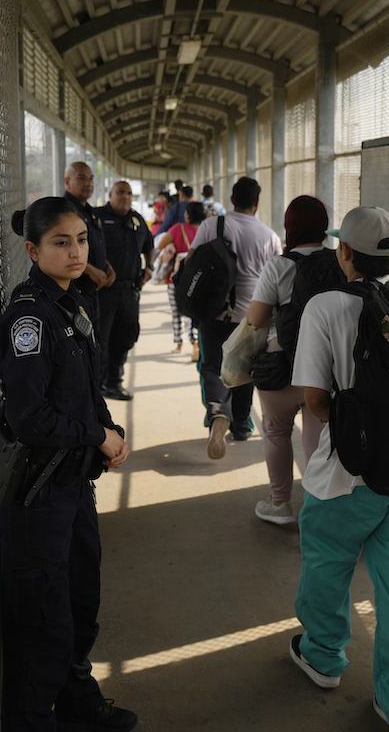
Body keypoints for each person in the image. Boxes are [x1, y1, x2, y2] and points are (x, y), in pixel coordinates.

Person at [0, 196, 138, 732]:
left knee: (81, 604)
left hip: (74, 486)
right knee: (42, 624)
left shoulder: (70, 303)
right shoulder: (30, 317)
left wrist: (108, 428)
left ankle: (78, 702)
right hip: (38, 494)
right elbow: (30, 417)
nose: (76, 251)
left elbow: (86, 386)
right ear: (33, 250)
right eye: (61, 242)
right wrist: (96, 434)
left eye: (80, 239)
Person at [288, 206, 389, 732]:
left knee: (327, 565)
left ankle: (324, 657)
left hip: (347, 473)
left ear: (344, 252)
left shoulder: (326, 306)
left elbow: (314, 400)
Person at [245, 195, 332, 524]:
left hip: (283, 365)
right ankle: (316, 509)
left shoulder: (281, 265)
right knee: (317, 440)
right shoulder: (340, 261)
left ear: (289, 225)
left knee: (277, 432)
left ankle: (280, 504)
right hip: (325, 368)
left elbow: (255, 319)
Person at [188, 176, 281, 459]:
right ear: (256, 202)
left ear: (231, 200)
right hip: (252, 315)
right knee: (244, 368)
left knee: (212, 366)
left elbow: (192, 263)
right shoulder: (269, 236)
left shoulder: (211, 225)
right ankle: (241, 425)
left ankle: (218, 415)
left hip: (215, 311)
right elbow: (275, 278)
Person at [94, 181, 154, 401]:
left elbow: (150, 245)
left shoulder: (138, 220)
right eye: (121, 192)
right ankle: (97, 388)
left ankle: (114, 384)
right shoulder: (96, 217)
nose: (126, 196)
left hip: (130, 292)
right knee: (101, 340)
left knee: (125, 338)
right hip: (104, 292)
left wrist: (149, 267)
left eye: (129, 193)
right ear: (110, 194)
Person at [62, 162, 114, 330]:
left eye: (91, 179)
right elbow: (64, 250)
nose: (88, 183)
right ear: (67, 182)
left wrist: (106, 266)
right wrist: (92, 271)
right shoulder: (63, 211)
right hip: (74, 293)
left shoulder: (90, 212)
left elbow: (93, 246)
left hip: (93, 292)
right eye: (82, 178)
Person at [153, 200, 205, 360]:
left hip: (175, 278)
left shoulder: (178, 229)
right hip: (198, 279)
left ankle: (179, 345)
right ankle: (195, 343)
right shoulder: (206, 230)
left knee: (176, 313)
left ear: (187, 215)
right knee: (194, 311)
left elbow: (160, 244)